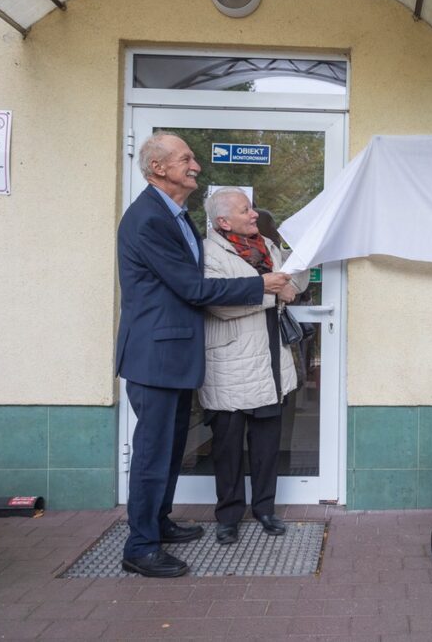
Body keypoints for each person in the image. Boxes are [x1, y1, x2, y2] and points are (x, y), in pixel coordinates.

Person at [116, 132, 291, 578]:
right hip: (155, 357)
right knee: (153, 454)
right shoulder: (148, 219)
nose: (195, 165)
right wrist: (261, 285)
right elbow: (193, 289)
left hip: (175, 357)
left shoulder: (176, 216)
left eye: (192, 158)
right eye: (186, 159)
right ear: (158, 168)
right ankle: (140, 547)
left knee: (172, 450)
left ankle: (158, 523)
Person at [198, 188, 308, 544]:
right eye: (245, 210)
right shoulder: (207, 252)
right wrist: (273, 292)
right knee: (227, 448)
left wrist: (302, 264)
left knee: (265, 445)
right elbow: (219, 304)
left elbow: (292, 283)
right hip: (229, 363)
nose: (254, 215)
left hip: (269, 361)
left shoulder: (268, 247)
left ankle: (265, 510)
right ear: (223, 221)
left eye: (252, 209)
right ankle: (228, 516)